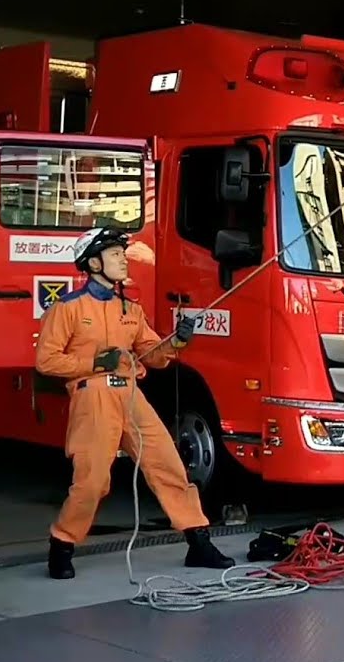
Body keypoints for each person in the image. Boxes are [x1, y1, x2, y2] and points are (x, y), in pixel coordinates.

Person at [35, 227, 235, 579]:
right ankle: (62, 545)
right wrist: (96, 363)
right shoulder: (68, 308)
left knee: (169, 465)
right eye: (114, 255)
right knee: (93, 482)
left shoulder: (131, 309)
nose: (122, 260)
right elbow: (47, 361)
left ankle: (198, 542)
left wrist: (177, 342)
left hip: (130, 395)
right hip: (92, 396)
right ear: (93, 263)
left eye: (121, 254)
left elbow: (154, 356)